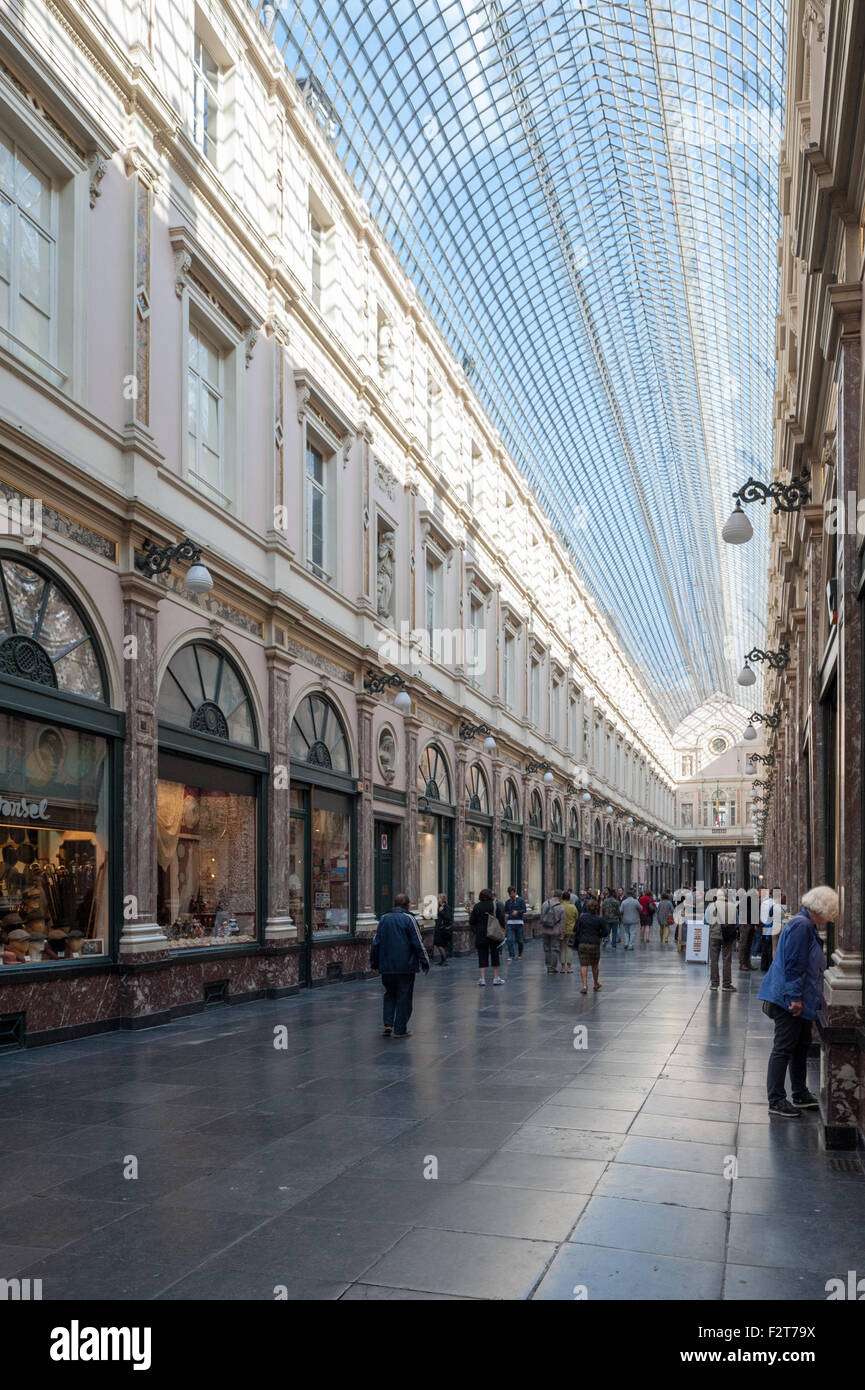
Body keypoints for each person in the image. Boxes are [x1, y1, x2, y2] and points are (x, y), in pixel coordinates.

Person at [758, 886, 837, 1118]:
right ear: (822, 909)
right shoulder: (802, 926)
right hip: (789, 1000)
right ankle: (776, 1099)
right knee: (783, 1048)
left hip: (800, 997)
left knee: (800, 1045)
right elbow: (794, 964)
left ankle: (800, 1092)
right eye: (831, 912)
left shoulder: (806, 925)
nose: (832, 918)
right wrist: (794, 998)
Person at [370, 892, 429, 1038]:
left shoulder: (383, 919)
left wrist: (374, 963)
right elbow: (418, 942)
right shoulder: (409, 918)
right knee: (404, 996)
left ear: (394, 904)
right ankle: (400, 1029)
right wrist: (425, 962)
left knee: (389, 994)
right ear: (407, 905)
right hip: (405, 966)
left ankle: (388, 1024)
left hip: (387, 966)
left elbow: (376, 943)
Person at [470, 887, 507, 986]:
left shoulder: (476, 907)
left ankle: (482, 979)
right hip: (493, 934)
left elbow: (472, 921)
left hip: (481, 935)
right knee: (495, 954)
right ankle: (496, 978)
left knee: (482, 955)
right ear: (490, 895)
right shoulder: (494, 905)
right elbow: (501, 919)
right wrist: (503, 931)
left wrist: (476, 931)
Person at [706, 890, 736, 992]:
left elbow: (705, 921)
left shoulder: (710, 906)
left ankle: (714, 984)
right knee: (727, 959)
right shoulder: (732, 906)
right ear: (725, 896)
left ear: (716, 896)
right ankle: (726, 984)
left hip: (714, 936)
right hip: (727, 936)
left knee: (714, 960)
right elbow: (736, 921)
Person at [576, 896, 607, 993]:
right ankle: (595, 983)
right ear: (596, 908)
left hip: (583, 943)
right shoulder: (599, 919)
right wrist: (598, 935)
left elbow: (575, 930)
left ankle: (585, 986)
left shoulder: (581, 918)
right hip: (594, 943)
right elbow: (605, 932)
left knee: (583, 965)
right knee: (595, 965)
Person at [539, 888, 566, 974]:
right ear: (560, 896)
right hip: (555, 930)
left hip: (545, 929)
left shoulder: (545, 903)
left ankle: (548, 966)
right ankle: (553, 967)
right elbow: (563, 922)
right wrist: (562, 933)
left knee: (547, 949)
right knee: (554, 949)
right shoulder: (561, 907)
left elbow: (541, 916)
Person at [760, 891, 785, 972]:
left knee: (766, 947)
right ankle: (772, 965)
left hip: (765, 925)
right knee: (772, 948)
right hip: (772, 927)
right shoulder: (775, 906)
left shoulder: (765, 902)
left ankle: (765, 965)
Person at [504, 885, 527, 962]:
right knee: (510, 940)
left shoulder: (521, 900)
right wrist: (506, 914)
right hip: (510, 923)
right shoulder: (507, 902)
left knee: (520, 940)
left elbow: (524, 909)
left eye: (512, 894)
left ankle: (520, 953)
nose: (511, 896)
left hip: (519, 923)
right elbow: (506, 911)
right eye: (509, 894)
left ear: (515, 892)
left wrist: (518, 912)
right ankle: (511, 955)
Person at [432, 893, 452, 966]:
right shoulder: (439, 906)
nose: (437, 899)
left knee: (440, 945)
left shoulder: (446, 907)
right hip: (438, 928)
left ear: (443, 899)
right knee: (439, 944)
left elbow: (448, 917)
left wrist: (441, 912)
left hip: (442, 929)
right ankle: (442, 960)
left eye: (439, 898)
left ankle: (445, 960)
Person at [561, 891, 577, 974]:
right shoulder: (573, 907)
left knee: (562, 948)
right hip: (571, 930)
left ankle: (563, 967)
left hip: (561, 930)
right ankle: (569, 967)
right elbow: (576, 917)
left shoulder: (560, 906)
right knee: (569, 948)